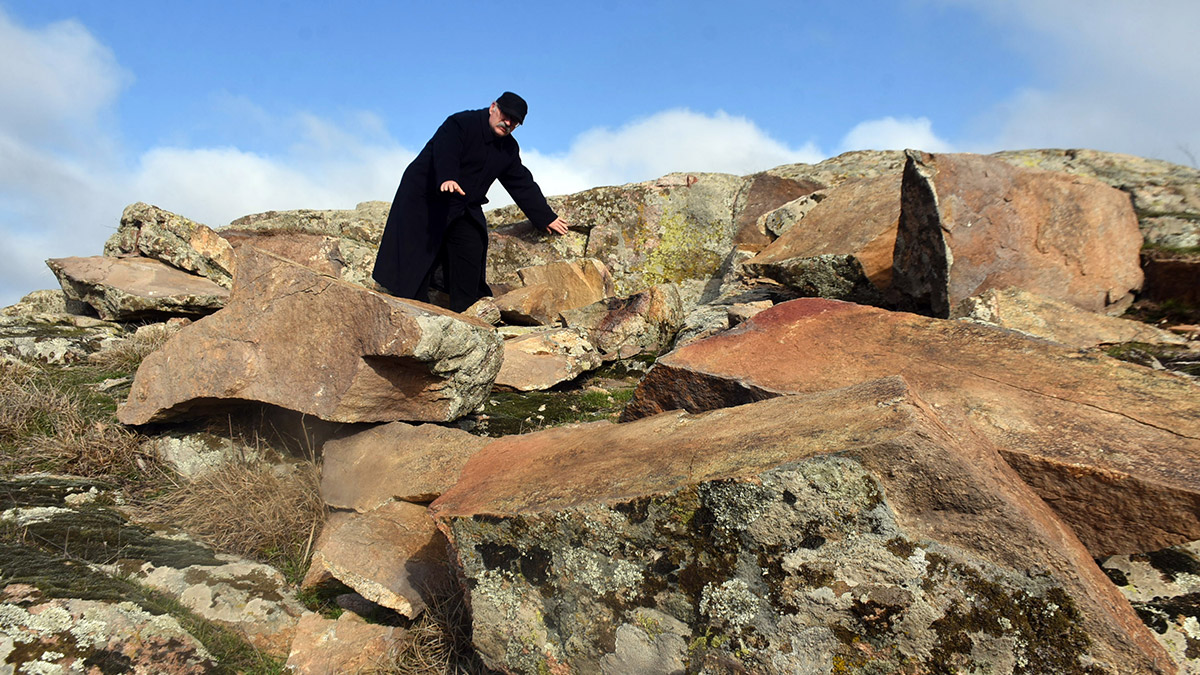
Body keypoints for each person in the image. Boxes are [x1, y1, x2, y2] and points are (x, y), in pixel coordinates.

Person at [372, 92, 570, 312]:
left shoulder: (509, 149)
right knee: (415, 255)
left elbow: (521, 182)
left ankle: (467, 313)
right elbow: (446, 151)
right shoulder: (460, 123)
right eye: (506, 115)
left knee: (471, 244)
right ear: (493, 107)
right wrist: (447, 177)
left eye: (515, 121)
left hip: (463, 203)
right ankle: (410, 306)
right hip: (426, 197)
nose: (508, 122)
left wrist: (546, 217)